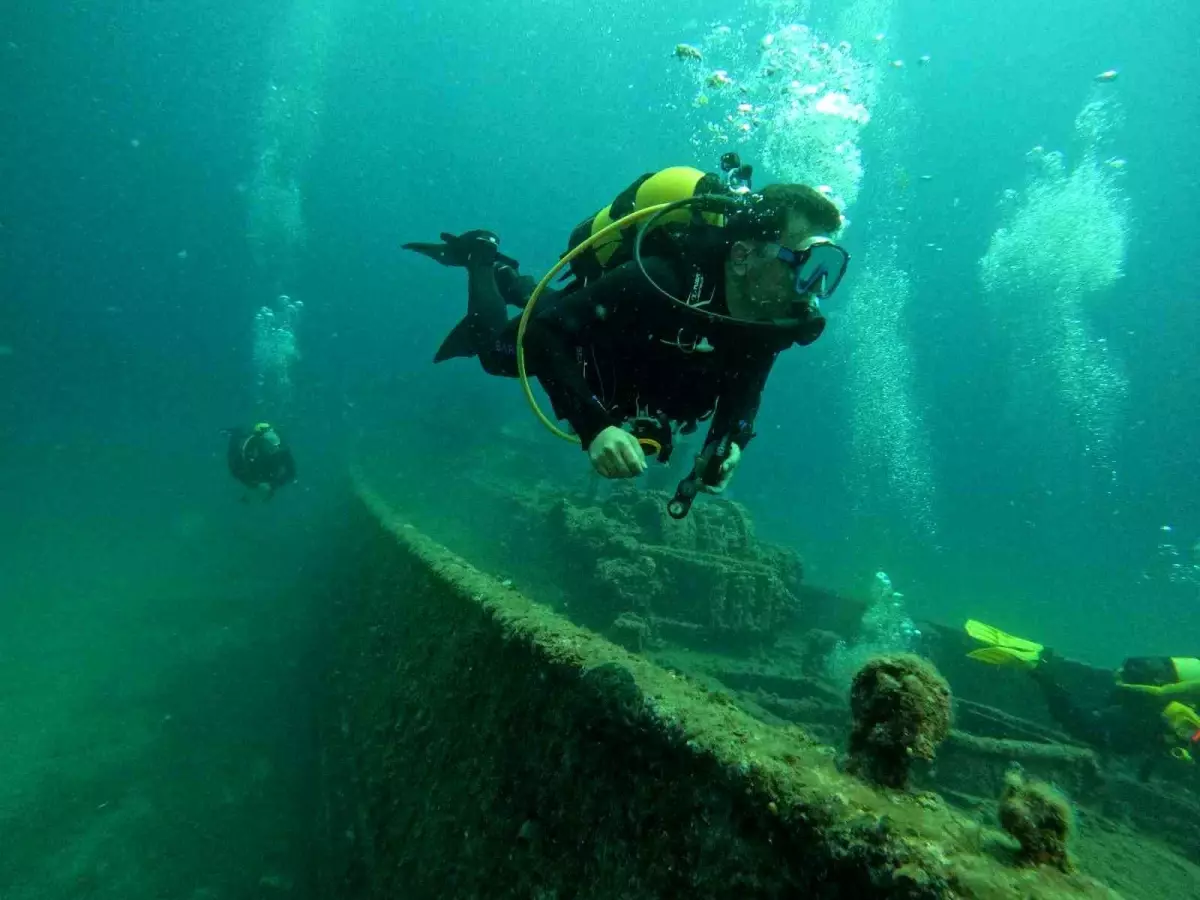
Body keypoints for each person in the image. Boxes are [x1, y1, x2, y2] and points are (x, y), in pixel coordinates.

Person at [403, 162, 847, 510]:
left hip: (610, 331)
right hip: (589, 336)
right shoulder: (663, 277)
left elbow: (747, 384)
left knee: (563, 308)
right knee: (497, 354)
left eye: (826, 267)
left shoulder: (769, 318)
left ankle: (517, 281)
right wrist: (594, 427)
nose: (814, 287)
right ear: (744, 255)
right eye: (803, 262)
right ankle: (484, 257)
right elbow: (546, 334)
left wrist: (726, 444)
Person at [965, 619, 1200, 778]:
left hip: (1150, 699)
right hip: (1152, 709)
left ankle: (1043, 656)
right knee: (1080, 724)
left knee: (1092, 699)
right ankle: (1038, 666)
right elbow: (1169, 701)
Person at [220, 422, 296, 500]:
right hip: (249, 472)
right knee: (234, 464)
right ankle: (236, 434)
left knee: (235, 464)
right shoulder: (252, 448)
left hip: (263, 475)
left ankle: (236, 434)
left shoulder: (282, 451)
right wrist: (258, 485)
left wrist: (273, 485)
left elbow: (290, 472)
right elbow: (244, 471)